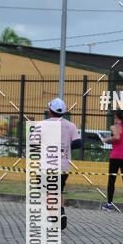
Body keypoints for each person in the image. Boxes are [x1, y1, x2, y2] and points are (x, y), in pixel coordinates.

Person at [44, 97, 81, 230]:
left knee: (49, 192)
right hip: (64, 166)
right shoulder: (70, 125)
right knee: (58, 190)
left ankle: (53, 218)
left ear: (50, 111)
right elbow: (78, 143)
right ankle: (62, 213)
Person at [101, 109, 123, 213]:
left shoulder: (114, 127)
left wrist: (107, 139)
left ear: (116, 117)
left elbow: (116, 137)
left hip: (116, 156)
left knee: (112, 180)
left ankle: (109, 203)